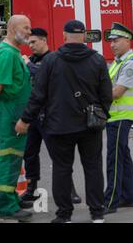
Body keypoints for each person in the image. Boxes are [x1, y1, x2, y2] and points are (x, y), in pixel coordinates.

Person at [15, 20, 113, 223]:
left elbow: (38, 95)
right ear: (84, 37)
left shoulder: (52, 61)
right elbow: (106, 95)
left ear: (64, 35)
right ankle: (97, 214)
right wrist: (100, 114)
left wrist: (25, 119)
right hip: (90, 126)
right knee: (93, 168)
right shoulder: (97, 60)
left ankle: (65, 216)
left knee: (62, 170)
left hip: (60, 126)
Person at [19, 28, 82, 205]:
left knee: (58, 155)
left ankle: (70, 190)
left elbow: (40, 75)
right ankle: (31, 189)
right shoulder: (30, 60)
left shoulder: (54, 59)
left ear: (44, 40)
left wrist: (28, 66)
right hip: (32, 115)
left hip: (49, 116)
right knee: (29, 154)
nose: (30, 46)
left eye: (34, 42)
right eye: (28, 43)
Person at [0, 15, 33, 222]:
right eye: (26, 28)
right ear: (13, 29)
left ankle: (12, 198)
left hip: (15, 114)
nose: (30, 32)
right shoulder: (6, 54)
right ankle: (7, 207)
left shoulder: (14, 52)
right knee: (9, 159)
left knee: (15, 159)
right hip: (10, 116)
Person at [103, 22, 133, 215]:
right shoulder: (118, 62)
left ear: (128, 40)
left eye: (116, 40)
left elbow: (117, 92)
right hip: (115, 117)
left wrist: (95, 97)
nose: (112, 44)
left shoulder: (130, 63)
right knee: (123, 158)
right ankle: (129, 197)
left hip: (120, 118)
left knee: (114, 159)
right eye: (110, 41)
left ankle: (110, 201)